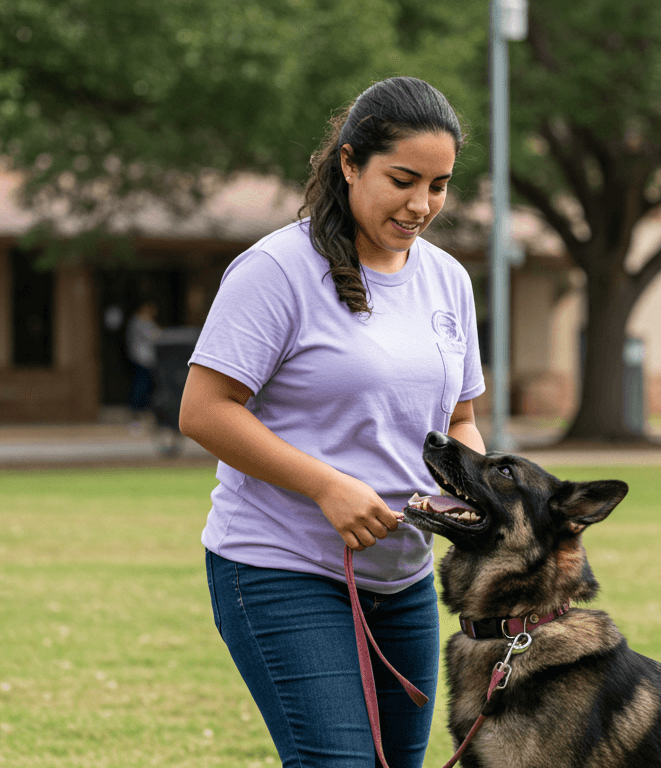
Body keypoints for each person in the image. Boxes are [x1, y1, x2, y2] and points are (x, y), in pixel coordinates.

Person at [179, 76, 485, 767]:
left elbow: (461, 421)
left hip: (401, 577)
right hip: (281, 567)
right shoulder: (276, 271)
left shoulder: (449, 281)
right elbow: (203, 411)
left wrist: (470, 494)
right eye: (402, 179)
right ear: (349, 163)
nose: (421, 205)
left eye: (439, 185)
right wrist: (327, 486)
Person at [125, 301, 161, 435]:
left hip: (148, 360)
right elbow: (155, 336)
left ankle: (144, 412)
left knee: (147, 386)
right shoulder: (139, 322)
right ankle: (136, 413)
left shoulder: (144, 322)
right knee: (141, 385)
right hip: (142, 359)